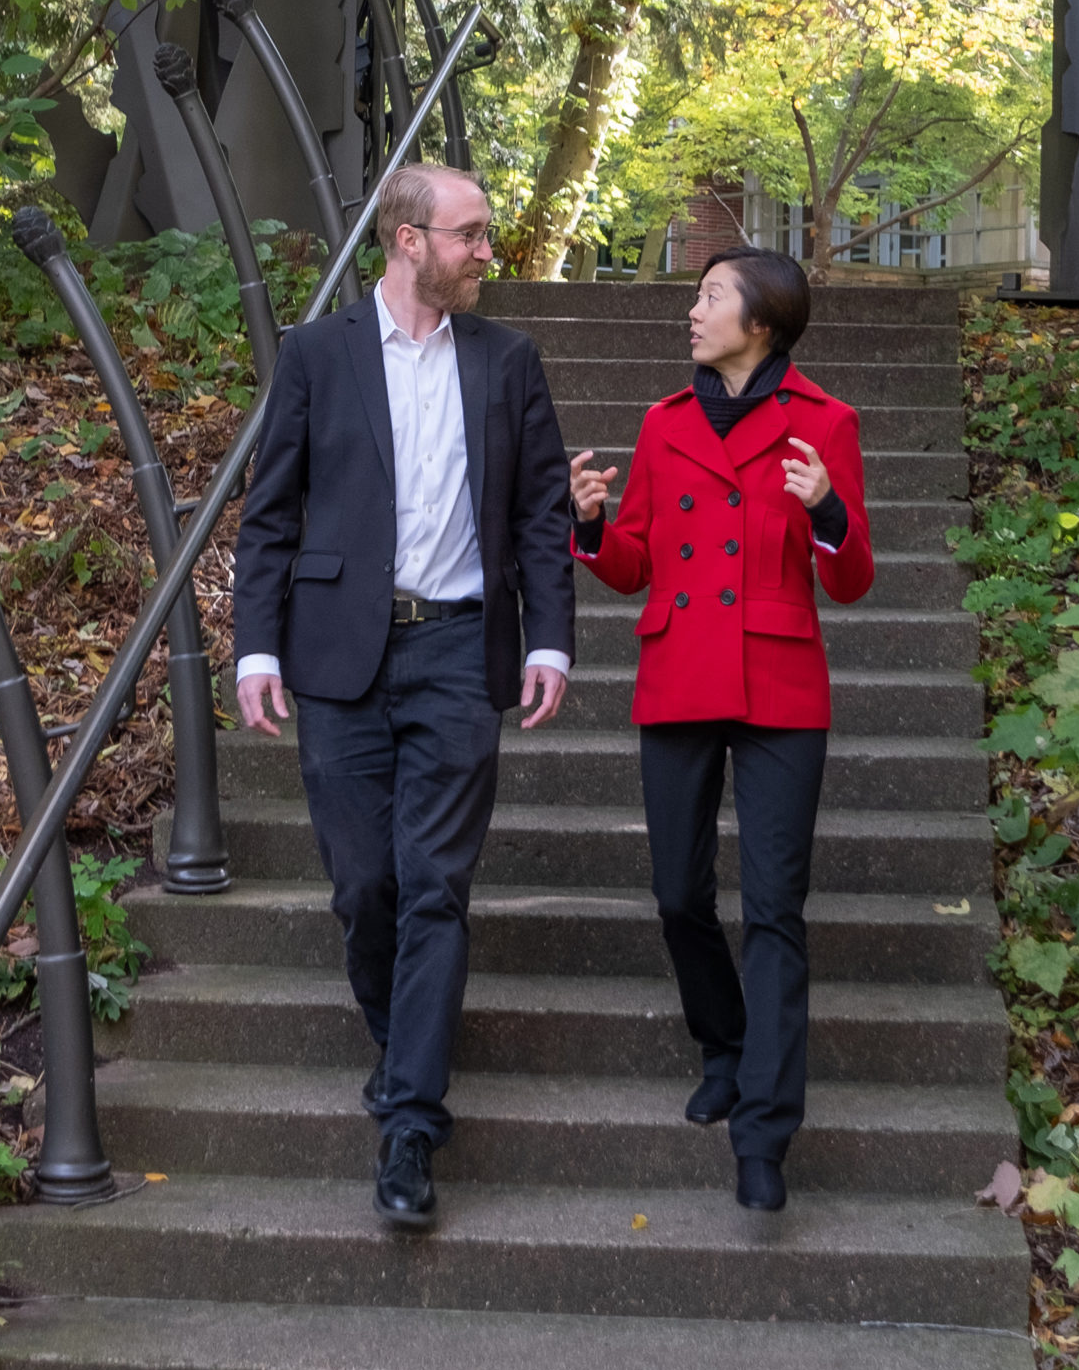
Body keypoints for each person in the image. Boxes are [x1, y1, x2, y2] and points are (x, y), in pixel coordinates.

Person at [233, 163, 574, 1230]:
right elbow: (269, 517)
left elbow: (541, 513)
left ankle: (411, 1124)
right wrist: (254, 651)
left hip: (461, 650)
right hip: (338, 658)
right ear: (406, 240)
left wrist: (552, 640)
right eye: (469, 235)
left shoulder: (509, 360)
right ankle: (403, 1045)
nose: (487, 253)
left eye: (485, 236)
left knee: (435, 887)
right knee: (364, 888)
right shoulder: (317, 356)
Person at [569, 245, 874, 1212]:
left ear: (763, 321)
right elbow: (633, 565)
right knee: (675, 895)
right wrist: (589, 524)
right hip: (680, 669)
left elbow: (852, 579)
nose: (691, 313)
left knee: (776, 911)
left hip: (780, 677)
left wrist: (825, 509)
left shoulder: (825, 425)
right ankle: (724, 1044)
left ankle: (765, 1132)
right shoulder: (662, 426)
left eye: (708, 297)